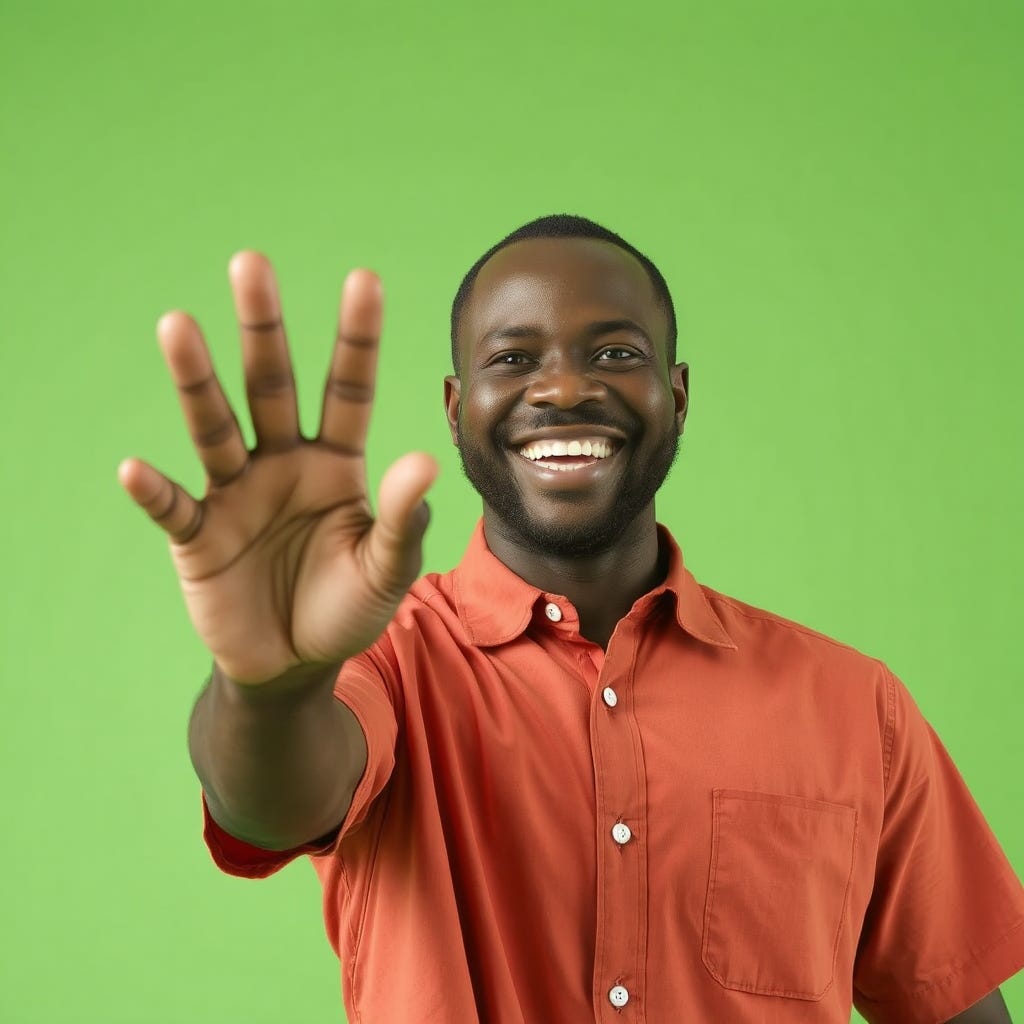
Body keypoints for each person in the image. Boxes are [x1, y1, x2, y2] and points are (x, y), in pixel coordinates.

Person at [118, 215, 1024, 1023]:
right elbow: (271, 806)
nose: (561, 390)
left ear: (677, 394)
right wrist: (272, 687)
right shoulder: (386, 664)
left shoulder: (854, 705)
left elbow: (951, 1002)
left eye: (615, 354)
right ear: (454, 407)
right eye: (512, 358)